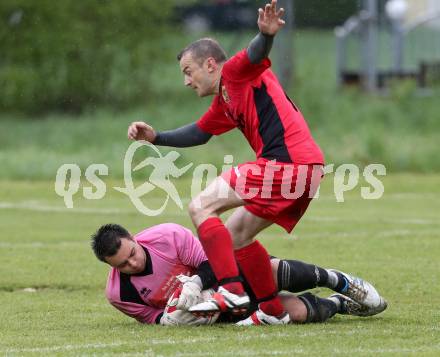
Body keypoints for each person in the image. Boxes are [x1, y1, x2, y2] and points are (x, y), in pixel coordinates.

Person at [126, 0, 385, 325]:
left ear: (210, 64)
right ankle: (272, 311)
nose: (186, 81)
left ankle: (232, 291)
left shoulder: (236, 72)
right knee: (234, 236)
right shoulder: (225, 100)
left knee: (200, 207)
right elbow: (199, 133)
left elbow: (254, 53)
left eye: (188, 72)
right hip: (303, 171)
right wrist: (156, 137)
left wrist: (265, 35)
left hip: (288, 164)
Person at [90, 223, 387, 325]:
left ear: (134, 238)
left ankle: (337, 280)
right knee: (294, 314)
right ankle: (338, 303)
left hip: (228, 275)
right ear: (111, 268)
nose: (132, 264)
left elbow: (213, 263)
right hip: (219, 311)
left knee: (268, 271)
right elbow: (153, 319)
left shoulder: (167, 236)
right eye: (123, 265)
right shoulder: (118, 295)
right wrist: (175, 318)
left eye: (132, 253)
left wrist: (195, 283)